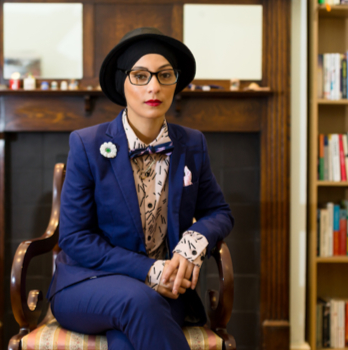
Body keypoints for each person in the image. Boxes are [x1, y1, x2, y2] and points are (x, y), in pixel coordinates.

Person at [47, 27, 234, 350]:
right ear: (123, 82)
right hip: (86, 284)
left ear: (176, 82)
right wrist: (150, 270)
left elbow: (219, 212)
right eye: (140, 75)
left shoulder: (192, 143)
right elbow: (75, 238)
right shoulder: (87, 144)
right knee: (137, 301)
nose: (154, 87)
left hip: (166, 289)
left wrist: (192, 242)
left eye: (164, 76)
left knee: (128, 338)